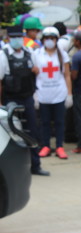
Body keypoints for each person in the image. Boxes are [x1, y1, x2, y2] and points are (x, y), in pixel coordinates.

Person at [0, 25, 49, 175]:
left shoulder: (30, 52)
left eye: (19, 37)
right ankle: (13, 169)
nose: (17, 40)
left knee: (32, 132)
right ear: (8, 39)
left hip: (27, 98)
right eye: (14, 37)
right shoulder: (4, 55)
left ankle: (35, 166)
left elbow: (37, 72)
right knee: (12, 134)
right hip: (10, 100)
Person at [32, 27, 72, 159]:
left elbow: (67, 75)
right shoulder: (37, 54)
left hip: (59, 94)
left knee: (60, 122)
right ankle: (46, 146)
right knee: (45, 122)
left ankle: (59, 146)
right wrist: (35, 94)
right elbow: (34, 74)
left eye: (52, 38)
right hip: (43, 94)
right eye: (47, 38)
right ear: (43, 40)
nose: (49, 41)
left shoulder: (62, 54)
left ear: (56, 40)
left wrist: (69, 94)